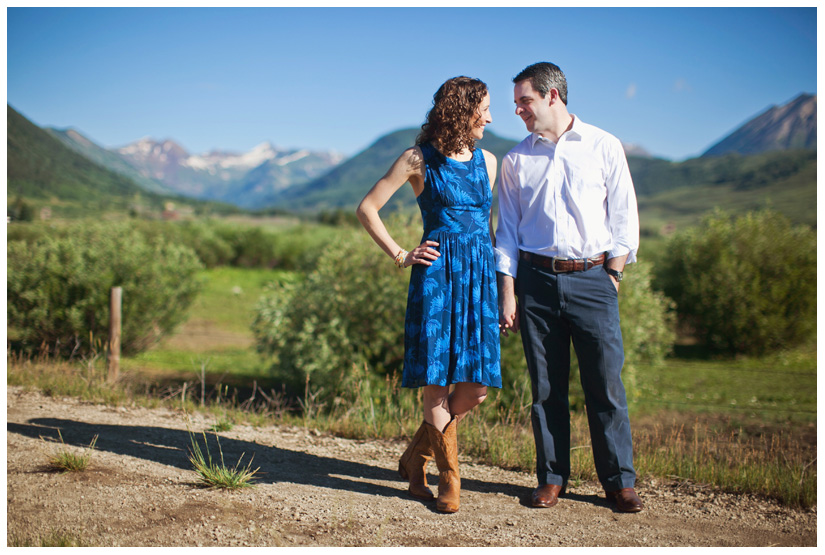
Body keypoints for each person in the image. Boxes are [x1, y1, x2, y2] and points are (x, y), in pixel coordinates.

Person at [495, 62, 643, 513]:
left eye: (525, 101)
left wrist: (612, 275)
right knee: (545, 389)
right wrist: (508, 292)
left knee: (605, 386)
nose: (518, 110)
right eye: (517, 103)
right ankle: (552, 478)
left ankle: (619, 482)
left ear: (552, 96)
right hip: (536, 283)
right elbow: (507, 234)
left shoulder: (603, 145)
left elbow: (624, 220)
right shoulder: (516, 159)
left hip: (594, 279)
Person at [356, 76, 501, 513]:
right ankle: (449, 479)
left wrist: (498, 284)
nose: (490, 118)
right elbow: (367, 208)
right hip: (436, 278)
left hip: (478, 278)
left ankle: (413, 457)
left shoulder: (488, 161)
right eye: (484, 109)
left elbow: (488, 228)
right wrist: (402, 254)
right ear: (461, 109)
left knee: (476, 388)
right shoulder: (418, 159)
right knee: (436, 383)